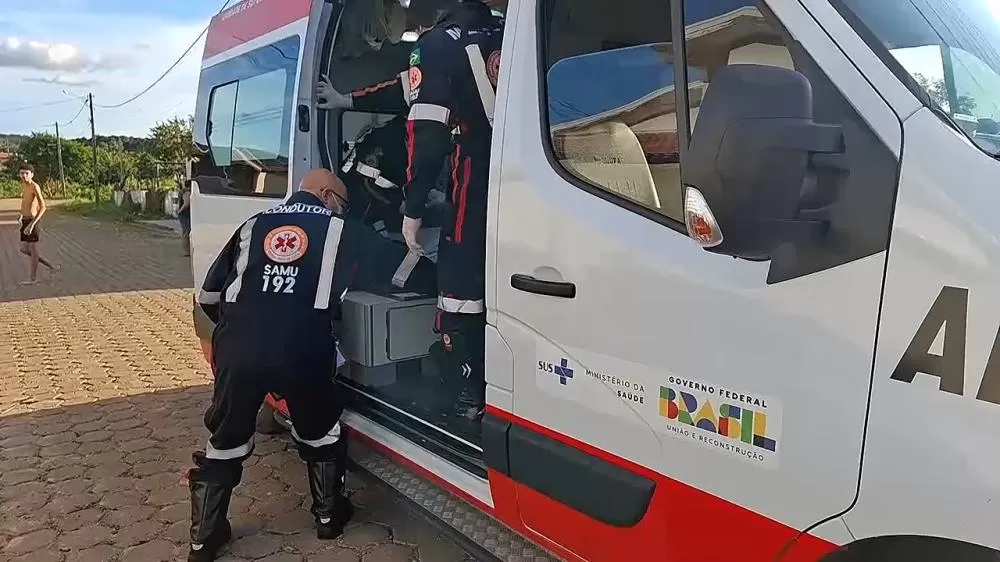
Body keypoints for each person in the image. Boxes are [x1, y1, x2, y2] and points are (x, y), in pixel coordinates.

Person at [317, 0, 505, 419]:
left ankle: (467, 391)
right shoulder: (506, 31)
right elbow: (404, 89)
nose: (414, 25)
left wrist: (414, 208)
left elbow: (427, 135)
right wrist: (346, 99)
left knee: (458, 284)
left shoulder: (436, 44)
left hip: (475, 173)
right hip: (520, 172)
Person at [187, 169, 353, 562]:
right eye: (342, 204)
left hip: (240, 347)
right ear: (327, 195)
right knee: (320, 429)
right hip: (302, 347)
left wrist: (244, 329)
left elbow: (208, 296)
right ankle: (328, 516)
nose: (341, 211)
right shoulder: (340, 230)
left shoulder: (253, 223)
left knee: (226, 438)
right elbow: (384, 273)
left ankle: (203, 540)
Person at [17, 164, 56, 285]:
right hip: (25, 221)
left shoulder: (35, 187)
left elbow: (43, 207)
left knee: (33, 249)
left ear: (32, 175)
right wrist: (21, 215)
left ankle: (33, 278)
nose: (24, 176)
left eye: (26, 173)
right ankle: (49, 265)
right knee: (23, 248)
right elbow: (26, 203)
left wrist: (32, 225)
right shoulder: (24, 186)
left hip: (32, 221)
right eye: (22, 173)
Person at [178, 180, 192, 257]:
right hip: (185, 213)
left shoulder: (183, 191)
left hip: (184, 213)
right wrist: (180, 210)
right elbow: (186, 203)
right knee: (186, 232)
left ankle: (187, 251)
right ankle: (187, 251)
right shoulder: (187, 192)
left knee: (186, 232)